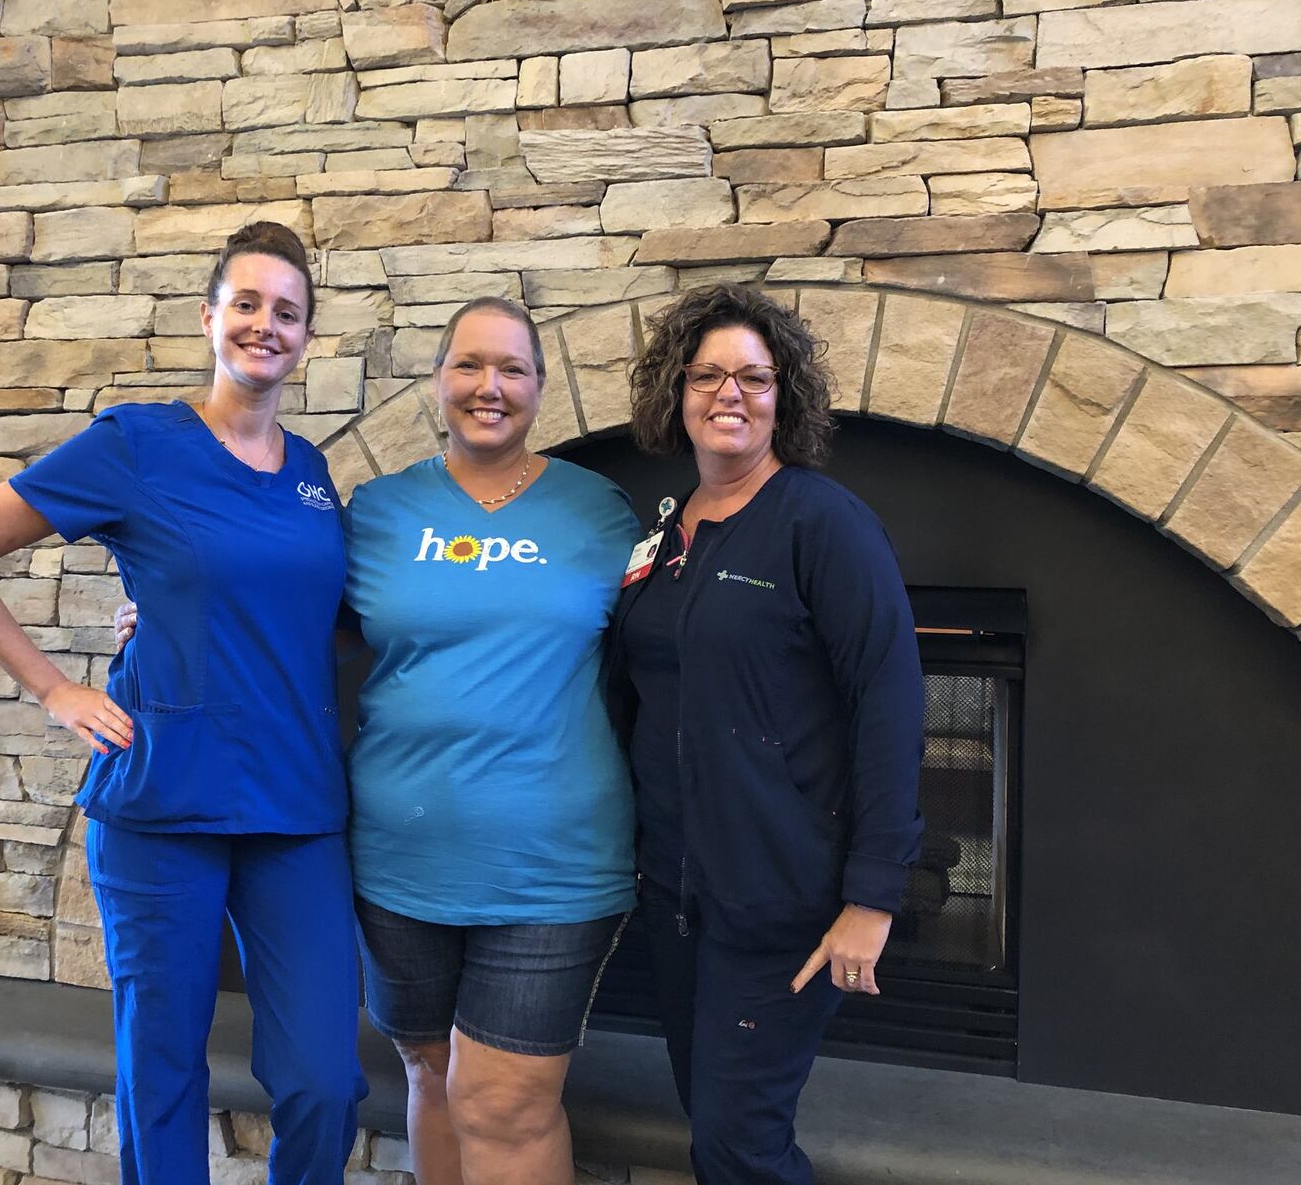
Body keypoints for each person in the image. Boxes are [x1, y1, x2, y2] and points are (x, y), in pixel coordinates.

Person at [118, 296, 639, 1185]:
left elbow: (671, 642)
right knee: (431, 1076)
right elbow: (288, 616)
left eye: (512, 369)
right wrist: (169, 619)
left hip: (551, 862)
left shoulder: (603, 515)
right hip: (397, 861)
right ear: (437, 379)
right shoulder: (377, 512)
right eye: (469, 364)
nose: (490, 386)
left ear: (541, 389)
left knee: (505, 1102)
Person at [0, 222, 366, 1185]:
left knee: (326, 1078)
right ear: (210, 318)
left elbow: (305, 614)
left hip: (296, 807)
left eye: (287, 311)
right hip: (162, 800)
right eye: (246, 304)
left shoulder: (314, 477)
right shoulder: (136, 443)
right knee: (161, 1073)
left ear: (307, 338)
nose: (264, 325)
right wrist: (54, 687)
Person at [611, 284, 925, 1185]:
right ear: (677, 392)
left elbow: (890, 703)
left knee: (738, 1145)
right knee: (715, 1124)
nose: (729, 395)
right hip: (676, 896)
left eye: (754, 376)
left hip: (781, 903)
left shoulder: (822, 523)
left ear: (785, 397)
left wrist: (873, 898)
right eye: (707, 375)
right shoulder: (667, 532)